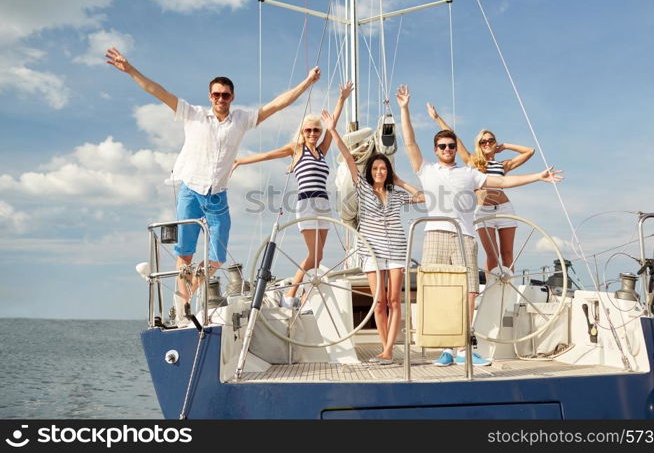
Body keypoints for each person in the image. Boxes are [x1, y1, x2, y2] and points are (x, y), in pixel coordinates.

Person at [105, 47, 320, 324]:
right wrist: (130, 69)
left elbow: (277, 105)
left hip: (217, 196)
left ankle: (185, 298)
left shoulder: (241, 119)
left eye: (226, 95)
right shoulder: (193, 114)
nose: (221, 99)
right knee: (185, 255)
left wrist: (306, 83)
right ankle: (182, 311)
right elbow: (158, 92)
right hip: (191, 191)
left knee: (217, 257)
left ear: (232, 97)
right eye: (216, 94)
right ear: (210, 96)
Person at [397, 85, 561, 367]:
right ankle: (445, 348)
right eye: (442, 146)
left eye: (451, 146)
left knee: (470, 291)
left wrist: (538, 176)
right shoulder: (425, 170)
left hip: (464, 236)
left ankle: (463, 347)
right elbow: (410, 142)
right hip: (435, 234)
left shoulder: (470, 173)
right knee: (437, 291)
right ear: (435, 150)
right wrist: (404, 110)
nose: (448, 149)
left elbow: (504, 182)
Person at [231, 82, 354, 308]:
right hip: (306, 203)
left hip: (323, 205)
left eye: (316, 130)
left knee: (318, 258)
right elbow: (268, 154)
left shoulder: (321, 150)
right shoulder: (297, 149)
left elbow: (332, 124)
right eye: (308, 130)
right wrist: (240, 160)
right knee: (312, 254)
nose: (313, 134)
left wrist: (342, 99)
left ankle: (303, 296)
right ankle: (290, 295)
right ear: (302, 132)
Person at [324, 110, 424, 365]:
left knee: (393, 300)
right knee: (378, 302)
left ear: (388, 172)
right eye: (376, 168)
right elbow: (347, 157)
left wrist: (400, 181)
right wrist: (333, 129)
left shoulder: (396, 193)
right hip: (370, 252)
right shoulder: (363, 189)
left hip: (396, 251)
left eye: (384, 168)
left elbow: (422, 197)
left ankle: (389, 351)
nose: (380, 171)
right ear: (371, 171)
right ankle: (385, 349)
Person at [426, 104, 535, 273]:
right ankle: (492, 288)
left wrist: (505, 146)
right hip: (483, 211)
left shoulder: (503, 165)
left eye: (491, 140)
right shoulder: (471, 161)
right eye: (483, 141)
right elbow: (454, 138)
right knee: (493, 255)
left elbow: (530, 151)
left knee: (507, 254)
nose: (487, 143)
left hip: (505, 209)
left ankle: (507, 294)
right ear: (479, 144)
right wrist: (437, 118)